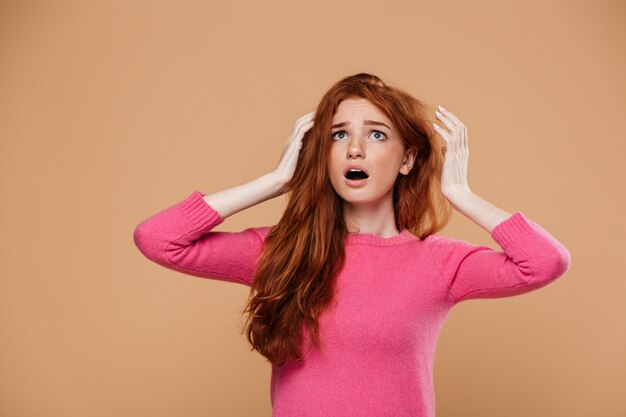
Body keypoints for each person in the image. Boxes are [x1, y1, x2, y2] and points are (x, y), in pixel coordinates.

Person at [133, 73, 571, 417]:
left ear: (407, 159)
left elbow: (546, 261)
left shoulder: (439, 262)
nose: (355, 149)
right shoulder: (280, 252)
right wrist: (276, 180)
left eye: (377, 134)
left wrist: (459, 193)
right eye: (338, 135)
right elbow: (158, 239)